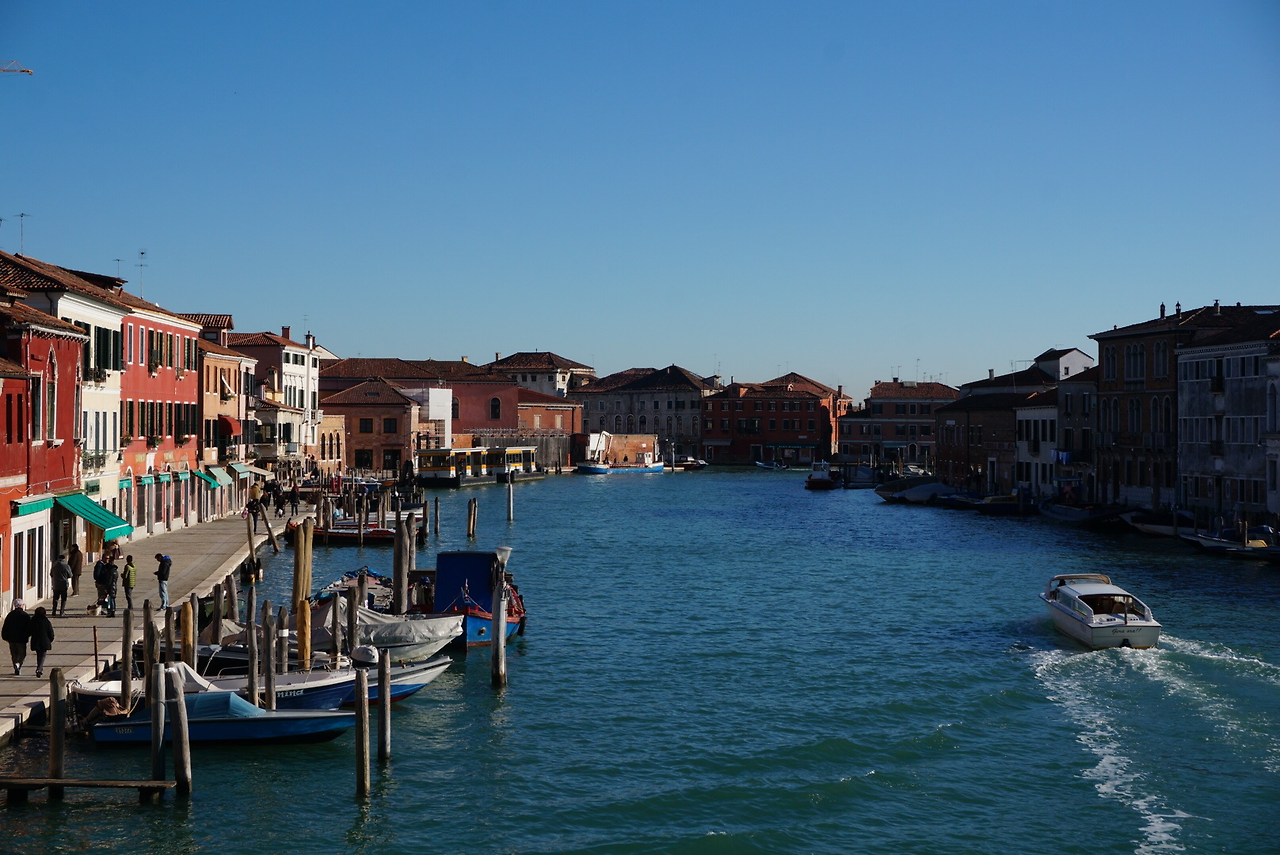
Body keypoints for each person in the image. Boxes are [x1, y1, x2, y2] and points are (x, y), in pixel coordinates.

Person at [2, 600, 31, 675]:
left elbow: (5, 626)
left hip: (11, 638)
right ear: (21, 605)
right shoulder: (25, 616)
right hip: (21, 639)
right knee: (22, 653)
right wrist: (27, 635)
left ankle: (16, 667)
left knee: (14, 654)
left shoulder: (10, 615)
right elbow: (29, 628)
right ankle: (18, 664)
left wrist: (5, 636)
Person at [28, 606, 53, 678]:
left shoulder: (33, 621)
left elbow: (29, 630)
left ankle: (39, 668)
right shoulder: (46, 621)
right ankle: (39, 669)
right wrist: (50, 640)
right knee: (42, 655)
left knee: (38, 655)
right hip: (44, 641)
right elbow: (50, 632)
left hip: (36, 641)